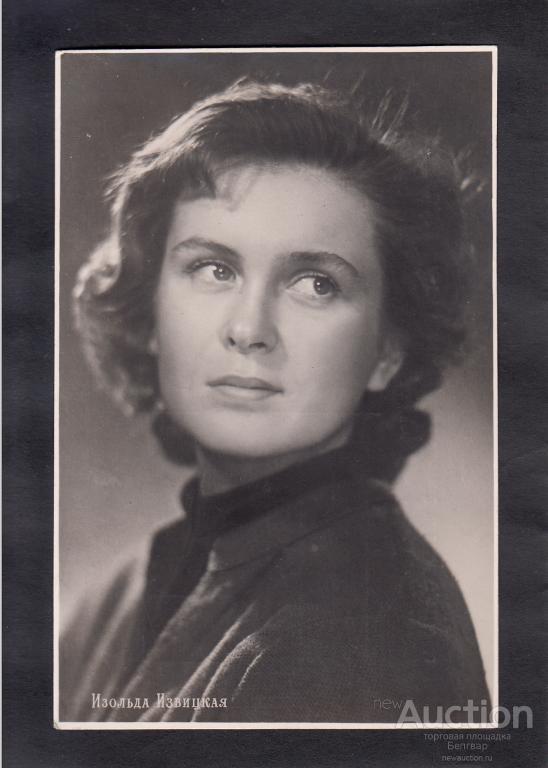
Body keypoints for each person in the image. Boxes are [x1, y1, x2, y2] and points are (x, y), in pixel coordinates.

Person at [60, 79, 490, 723]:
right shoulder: (113, 601)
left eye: (315, 284)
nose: (249, 328)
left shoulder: (370, 637)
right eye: (214, 269)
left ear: (387, 352)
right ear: (150, 315)